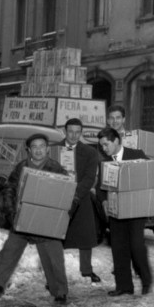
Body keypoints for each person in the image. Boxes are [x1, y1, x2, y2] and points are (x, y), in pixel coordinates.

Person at [0, 133, 70, 303]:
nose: (38, 150)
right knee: (9, 251)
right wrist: (13, 214)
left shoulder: (56, 168)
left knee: (53, 257)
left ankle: (60, 292)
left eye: (42, 146)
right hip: (23, 218)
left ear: (47, 149)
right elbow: (10, 190)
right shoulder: (21, 167)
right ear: (28, 150)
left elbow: (66, 191)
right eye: (34, 147)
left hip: (46, 220)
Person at [97, 127, 154, 296]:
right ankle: (124, 286)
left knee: (136, 246)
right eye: (101, 146)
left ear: (116, 141)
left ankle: (146, 280)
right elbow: (100, 187)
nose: (104, 149)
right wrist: (104, 200)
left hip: (135, 210)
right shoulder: (105, 162)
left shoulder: (136, 154)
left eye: (106, 144)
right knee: (119, 248)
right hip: (116, 211)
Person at [60, 118, 102, 283]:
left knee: (86, 238)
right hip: (59, 199)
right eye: (71, 131)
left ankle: (86, 270)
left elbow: (90, 177)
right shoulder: (55, 149)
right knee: (57, 237)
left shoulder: (90, 153)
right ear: (65, 131)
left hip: (81, 199)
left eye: (78, 132)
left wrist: (75, 194)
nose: (74, 135)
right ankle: (56, 273)